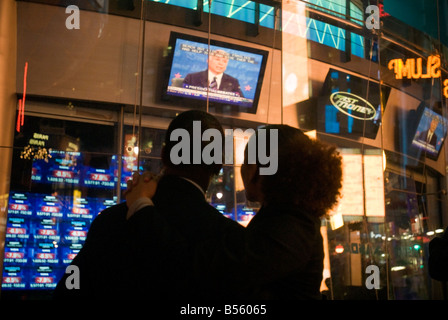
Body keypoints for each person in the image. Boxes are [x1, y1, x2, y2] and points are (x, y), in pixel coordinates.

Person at [126, 124, 343, 299]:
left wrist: (141, 204)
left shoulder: (291, 231)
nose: (243, 170)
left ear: (262, 170)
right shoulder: (293, 221)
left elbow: (199, 267)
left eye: (247, 161)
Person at [53, 109, 244, 299]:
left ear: (163, 155)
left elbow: (70, 289)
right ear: (218, 165)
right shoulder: (229, 238)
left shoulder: (111, 220)